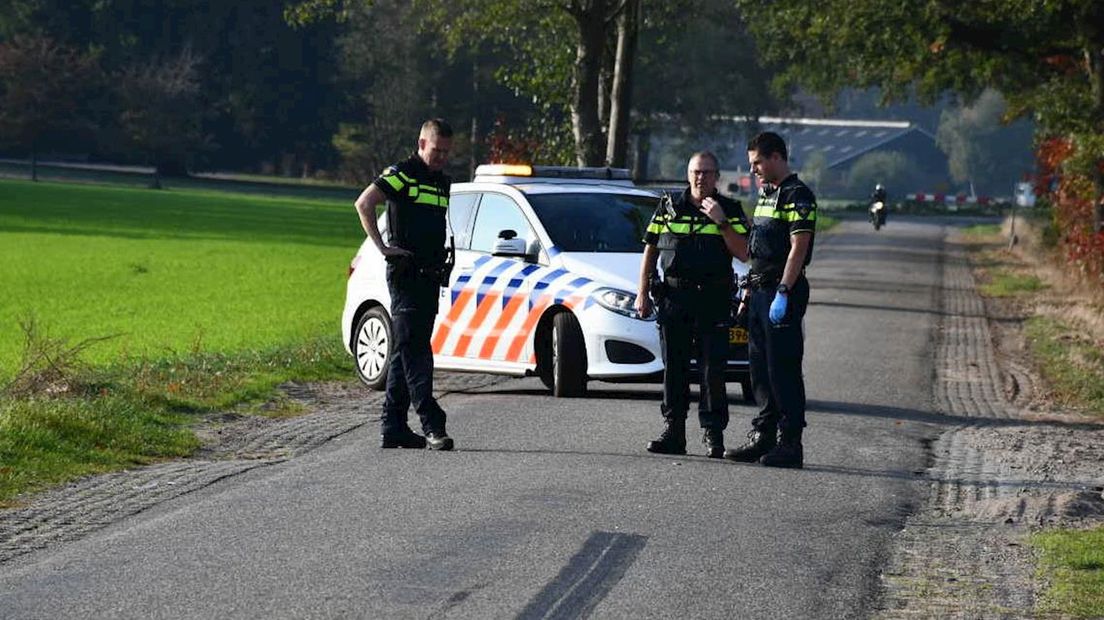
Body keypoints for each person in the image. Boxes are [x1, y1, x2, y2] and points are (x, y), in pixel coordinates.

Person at [635, 152, 749, 458]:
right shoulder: (669, 207)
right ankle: (674, 432)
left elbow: (744, 253)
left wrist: (722, 223)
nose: (701, 178)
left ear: (717, 177)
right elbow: (651, 248)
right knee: (675, 367)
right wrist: (642, 291)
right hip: (675, 298)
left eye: (707, 173)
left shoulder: (731, 209)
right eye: (696, 172)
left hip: (713, 298)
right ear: (688, 175)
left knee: (713, 369)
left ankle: (713, 434)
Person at [353, 119, 455, 451]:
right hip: (406, 277)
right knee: (416, 353)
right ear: (422, 143)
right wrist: (382, 248)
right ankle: (432, 423)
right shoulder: (402, 172)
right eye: (436, 150)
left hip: (430, 277)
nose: (441, 157)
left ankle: (393, 426)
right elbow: (364, 203)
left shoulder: (442, 182)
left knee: (402, 351)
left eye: (446, 152)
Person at [724, 132, 816, 469]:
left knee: (784, 369)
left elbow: (799, 247)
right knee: (759, 369)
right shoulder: (766, 195)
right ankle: (763, 435)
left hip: (782, 291)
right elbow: (755, 249)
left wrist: (784, 290)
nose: (754, 170)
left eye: (758, 163)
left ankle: (790, 442)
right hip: (760, 290)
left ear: (776, 157)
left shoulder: (798, 195)